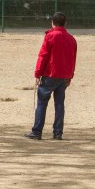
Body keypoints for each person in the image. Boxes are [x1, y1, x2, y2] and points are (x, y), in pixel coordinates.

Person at [24, 12, 77, 140]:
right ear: (65, 23)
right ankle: (58, 133)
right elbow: (73, 59)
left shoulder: (50, 36)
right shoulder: (71, 39)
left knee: (42, 103)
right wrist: (70, 76)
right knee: (59, 104)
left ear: (52, 23)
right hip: (64, 76)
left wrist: (37, 73)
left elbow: (43, 56)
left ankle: (37, 131)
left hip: (50, 74)